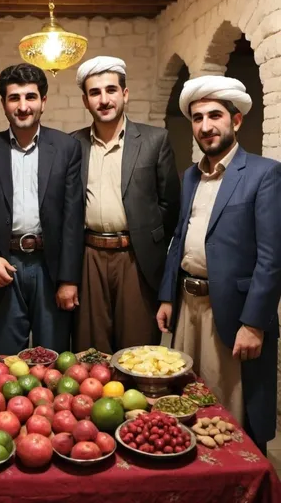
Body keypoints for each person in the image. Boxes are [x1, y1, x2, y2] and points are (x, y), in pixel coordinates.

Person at [156, 75, 281, 453]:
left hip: (234, 312)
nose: (206, 126)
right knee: (189, 398)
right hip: (188, 305)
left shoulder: (264, 173)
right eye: (197, 118)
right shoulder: (190, 176)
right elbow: (179, 238)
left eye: (215, 115)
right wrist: (167, 297)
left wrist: (255, 323)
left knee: (231, 410)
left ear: (236, 120)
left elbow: (272, 257)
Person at [0, 63, 85, 354]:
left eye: (30, 97)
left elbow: (73, 219)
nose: (23, 106)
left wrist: (68, 279)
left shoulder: (66, 148)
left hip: (49, 269)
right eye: (14, 98)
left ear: (43, 101)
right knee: (2, 362)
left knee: (51, 361)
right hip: (3, 266)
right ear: (3, 104)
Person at [72, 56, 180, 354]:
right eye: (95, 93)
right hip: (89, 258)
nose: (104, 99)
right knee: (91, 350)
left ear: (125, 94)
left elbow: (171, 206)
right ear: (85, 100)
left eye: (111, 90)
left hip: (137, 258)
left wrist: (147, 239)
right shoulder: (73, 145)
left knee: (138, 348)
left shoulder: (155, 140)